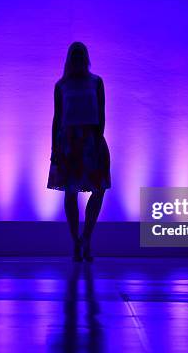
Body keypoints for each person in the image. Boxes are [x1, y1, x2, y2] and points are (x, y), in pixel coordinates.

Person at [47, 42, 111, 262]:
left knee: (99, 189)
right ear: (69, 58)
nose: (77, 58)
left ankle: (87, 238)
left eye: (81, 54)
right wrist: (54, 147)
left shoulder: (96, 82)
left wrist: (97, 140)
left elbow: (102, 114)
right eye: (74, 55)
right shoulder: (61, 85)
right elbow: (57, 118)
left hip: (92, 139)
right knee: (70, 192)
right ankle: (76, 241)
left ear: (86, 57)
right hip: (68, 141)